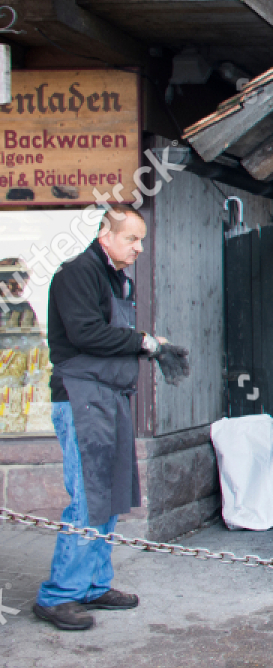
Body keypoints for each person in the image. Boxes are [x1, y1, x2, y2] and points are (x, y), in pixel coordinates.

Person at [32, 205, 190, 631]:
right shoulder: (76, 274)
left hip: (110, 397)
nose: (139, 247)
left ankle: (93, 584)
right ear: (106, 235)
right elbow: (84, 333)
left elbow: (114, 336)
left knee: (111, 493)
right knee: (87, 495)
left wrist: (150, 345)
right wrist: (145, 343)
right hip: (81, 398)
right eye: (131, 239)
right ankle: (59, 595)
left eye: (141, 240)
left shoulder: (117, 278)